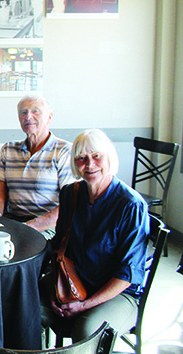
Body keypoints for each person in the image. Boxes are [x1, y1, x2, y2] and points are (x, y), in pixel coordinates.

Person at [42, 129, 149, 342]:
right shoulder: (70, 194)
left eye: (96, 156)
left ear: (109, 157)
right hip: (73, 280)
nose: (89, 164)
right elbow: (58, 244)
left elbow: (127, 274)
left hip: (118, 293)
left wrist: (84, 305)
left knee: (87, 330)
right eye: (81, 158)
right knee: (22, 305)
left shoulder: (131, 205)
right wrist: (55, 289)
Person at [0, 96, 75, 237]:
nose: (28, 116)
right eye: (23, 112)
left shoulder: (64, 151)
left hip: (48, 227)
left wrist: (27, 228)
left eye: (35, 111)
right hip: (12, 222)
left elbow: (69, 204)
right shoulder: (9, 149)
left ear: (49, 117)